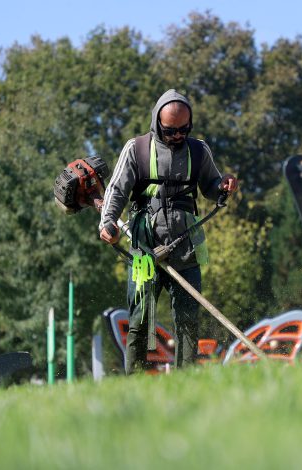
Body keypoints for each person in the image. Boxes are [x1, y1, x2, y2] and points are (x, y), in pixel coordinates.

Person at [99, 89, 238, 374]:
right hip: (144, 248)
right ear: (156, 123)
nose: (177, 135)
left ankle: (185, 378)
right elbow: (115, 192)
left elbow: (211, 186)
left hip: (186, 245)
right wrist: (108, 223)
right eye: (170, 130)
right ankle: (135, 378)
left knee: (188, 317)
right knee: (140, 317)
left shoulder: (199, 151)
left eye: (183, 129)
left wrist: (222, 185)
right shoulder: (135, 149)